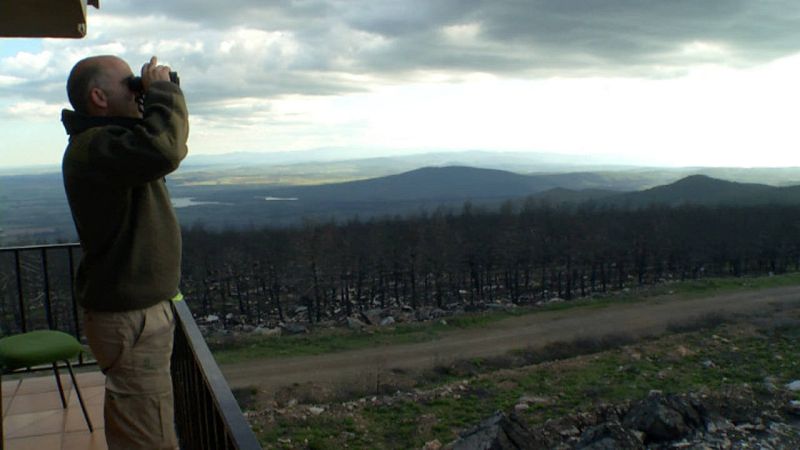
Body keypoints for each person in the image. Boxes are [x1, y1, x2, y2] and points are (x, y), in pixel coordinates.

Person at [61, 55, 188, 449]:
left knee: (144, 424)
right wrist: (161, 91)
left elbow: (156, 145)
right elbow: (164, 149)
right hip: (131, 319)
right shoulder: (95, 147)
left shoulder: (108, 145)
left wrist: (154, 96)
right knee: (147, 437)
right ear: (99, 97)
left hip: (133, 316)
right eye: (130, 84)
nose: (137, 91)